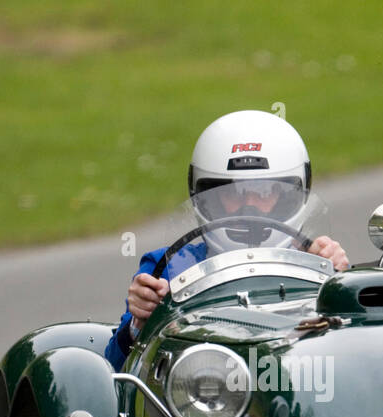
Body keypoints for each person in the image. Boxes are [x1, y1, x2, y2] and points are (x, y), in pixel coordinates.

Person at [104, 110, 349, 369]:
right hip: (200, 393)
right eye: (233, 193)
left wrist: (339, 279)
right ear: (203, 195)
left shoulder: (315, 262)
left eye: (265, 192)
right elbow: (114, 368)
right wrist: (139, 322)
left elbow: (351, 350)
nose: (249, 206)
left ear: (292, 195)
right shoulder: (166, 266)